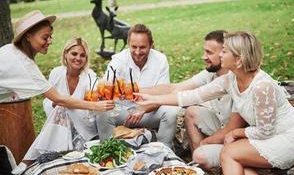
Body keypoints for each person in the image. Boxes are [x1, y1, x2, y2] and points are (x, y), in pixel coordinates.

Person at [136, 31, 294, 174]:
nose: (221, 55)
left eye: (225, 51)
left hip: (287, 139)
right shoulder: (231, 79)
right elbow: (193, 96)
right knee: (243, 168)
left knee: (229, 153)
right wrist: (154, 99)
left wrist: (235, 133)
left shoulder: (262, 87)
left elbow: (266, 131)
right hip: (264, 137)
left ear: (238, 59)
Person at [0, 11, 114, 172]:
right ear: (28, 36)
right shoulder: (23, 63)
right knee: (61, 106)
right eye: (45, 37)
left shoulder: (10, 51)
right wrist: (96, 106)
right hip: (64, 119)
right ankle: (26, 164)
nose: (50, 41)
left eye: (50, 37)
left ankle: (26, 163)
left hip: (81, 126)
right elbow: (58, 100)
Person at [141, 30, 237, 170]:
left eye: (209, 52)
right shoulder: (211, 73)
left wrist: (207, 143)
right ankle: (199, 168)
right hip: (220, 125)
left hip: (234, 134)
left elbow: (189, 96)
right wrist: (136, 90)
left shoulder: (233, 79)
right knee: (191, 112)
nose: (203, 57)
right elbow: (177, 88)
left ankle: (203, 158)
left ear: (224, 52)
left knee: (191, 109)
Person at [96, 23, 178, 148]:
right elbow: (105, 91)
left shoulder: (160, 60)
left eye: (142, 47)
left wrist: (143, 109)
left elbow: (163, 95)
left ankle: (164, 150)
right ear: (128, 44)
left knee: (171, 111)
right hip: (123, 113)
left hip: (149, 112)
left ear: (151, 45)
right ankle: (109, 152)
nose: (138, 52)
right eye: (133, 47)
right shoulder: (118, 60)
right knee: (103, 112)